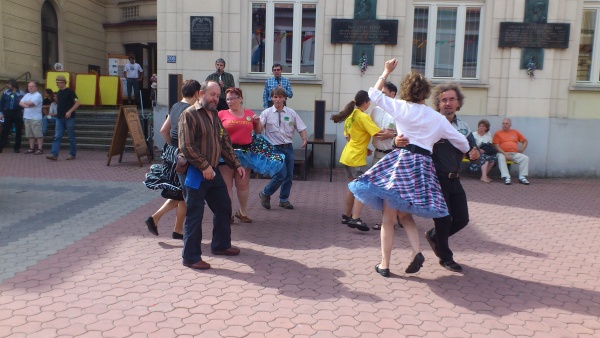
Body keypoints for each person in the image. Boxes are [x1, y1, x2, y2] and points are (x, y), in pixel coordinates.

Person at [349, 59, 470, 277]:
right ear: (426, 93)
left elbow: (374, 96)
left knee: (388, 218)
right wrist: (462, 150)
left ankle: (385, 265)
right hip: (423, 168)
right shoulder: (437, 118)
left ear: (406, 90)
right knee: (404, 215)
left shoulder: (401, 107)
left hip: (402, 162)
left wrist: (385, 72)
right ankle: (416, 252)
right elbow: (462, 142)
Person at [398, 82, 480, 274]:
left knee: (461, 219)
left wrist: (476, 155)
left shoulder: (464, 128)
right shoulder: (430, 122)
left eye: (452, 99)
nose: (448, 103)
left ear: (458, 103)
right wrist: (396, 140)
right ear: (438, 104)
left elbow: (471, 150)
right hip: (435, 179)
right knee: (443, 219)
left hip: (455, 178)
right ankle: (446, 257)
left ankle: (434, 237)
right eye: (443, 100)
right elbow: (409, 137)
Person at [177, 81, 245, 270]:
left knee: (224, 206)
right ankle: (191, 257)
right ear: (201, 93)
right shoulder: (189, 114)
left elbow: (224, 142)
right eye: (212, 94)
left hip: (212, 171)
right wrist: (205, 166)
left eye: (218, 95)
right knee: (195, 214)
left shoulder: (215, 115)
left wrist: (236, 164)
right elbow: (187, 147)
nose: (215, 98)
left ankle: (221, 245)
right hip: (194, 172)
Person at [144, 79, 201, 239]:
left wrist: (171, 146)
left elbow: (163, 130)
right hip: (183, 155)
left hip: (171, 153)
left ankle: (178, 230)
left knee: (180, 194)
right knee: (182, 193)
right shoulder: (191, 110)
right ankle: (155, 218)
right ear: (196, 93)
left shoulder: (175, 106)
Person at [331, 90, 385, 232]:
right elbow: (377, 133)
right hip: (356, 158)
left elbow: (348, 135)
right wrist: (395, 134)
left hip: (347, 155)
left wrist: (363, 146)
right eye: (369, 102)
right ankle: (356, 218)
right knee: (360, 188)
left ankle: (346, 215)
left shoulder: (351, 115)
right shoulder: (363, 116)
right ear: (366, 103)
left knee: (352, 186)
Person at [218, 87, 263, 224]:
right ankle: (229, 214)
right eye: (228, 99)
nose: (230, 101)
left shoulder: (249, 113)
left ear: (240, 99)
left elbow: (258, 131)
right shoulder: (222, 114)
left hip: (245, 153)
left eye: (233, 98)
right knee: (227, 186)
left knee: (243, 184)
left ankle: (243, 212)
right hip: (226, 153)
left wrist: (258, 121)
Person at [258, 87, 307, 210]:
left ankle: (284, 200)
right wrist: (255, 124)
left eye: (280, 97)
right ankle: (265, 193)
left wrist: (304, 138)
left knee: (289, 175)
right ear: (272, 98)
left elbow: (300, 127)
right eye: (275, 97)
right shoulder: (266, 113)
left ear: (284, 98)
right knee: (281, 174)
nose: (278, 100)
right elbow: (259, 128)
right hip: (274, 148)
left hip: (288, 148)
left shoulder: (291, 113)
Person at [368, 81, 399, 231]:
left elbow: (409, 132)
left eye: (384, 94)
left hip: (394, 156)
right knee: (380, 190)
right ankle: (388, 218)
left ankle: (390, 220)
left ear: (393, 94)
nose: (380, 97)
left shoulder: (400, 110)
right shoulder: (374, 111)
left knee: (393, 190)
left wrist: (392, 134)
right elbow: (364, 127)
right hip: (378, 155)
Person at [46, 75, 80, 161]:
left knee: (71, 136)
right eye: (57, 82)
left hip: (69, 117)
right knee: (57, 136)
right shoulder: (59, 92)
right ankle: (54, 154)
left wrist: (70, 111)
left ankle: (72, 153)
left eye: (58, 82)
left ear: (63, 82)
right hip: (59, 117)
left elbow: (77, 102)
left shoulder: (70, 91)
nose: (57, 84)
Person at [493, 118, 530, 185]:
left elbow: (525, 141)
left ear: (510, 125)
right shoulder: (498, 134)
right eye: (503, 123)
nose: (504, 125)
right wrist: (505, 154)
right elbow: (496, 146)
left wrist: (521, 149)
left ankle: (522, 177)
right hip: (502, 153)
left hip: (514, 153)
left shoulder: (515, 132)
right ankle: (507, 177)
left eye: (506, 123)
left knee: (525, 158)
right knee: (501, 158)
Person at [19, 82, 44, 155]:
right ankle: (31, 148)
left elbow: (31, 103)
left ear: (36, 87)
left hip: (35, 118)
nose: (30, 88)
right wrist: (27, 105)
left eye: (32, 86)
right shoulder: (27, 95)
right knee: (29, 134)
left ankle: (40, 148)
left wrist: (26, 103)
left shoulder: (38, 95)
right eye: (29, 86)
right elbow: (20, 103)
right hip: (27, 117)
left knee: (38, 134)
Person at [0, 79, 25, 153]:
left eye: (9, 84)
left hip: (18, 113)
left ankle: (17, 148)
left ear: (13, 85)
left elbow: (23, 103)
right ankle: (1, 146)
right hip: (8, 113)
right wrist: (1, 113)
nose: (7, 85)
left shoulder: (21, 93)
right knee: (5, 130)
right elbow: (2, 103)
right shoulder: (6, 93)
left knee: (18, 130)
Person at [470, 119, 497, 183]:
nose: (481, 128)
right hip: (475, 152)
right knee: (486, 159)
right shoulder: (474, 134)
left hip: (485, 152)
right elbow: (471, 145)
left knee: (493, 160)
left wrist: (484, 150)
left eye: (483, 126)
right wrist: (478, 150)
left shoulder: (488, 134)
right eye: (480, 126)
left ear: (486, 128)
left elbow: (490, 145)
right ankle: (484, 177)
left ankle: (483, 176)